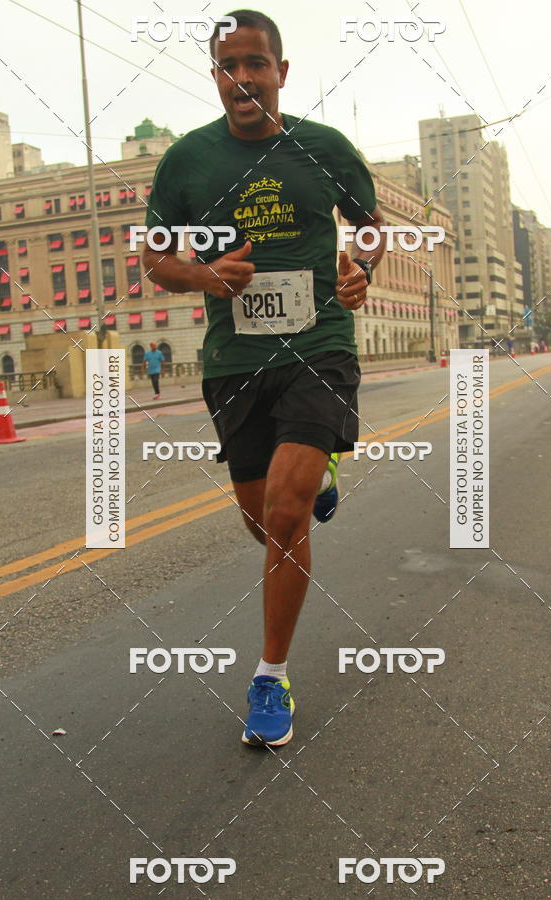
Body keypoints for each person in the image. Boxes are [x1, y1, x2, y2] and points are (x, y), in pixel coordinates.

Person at [143, 9, 386, 747]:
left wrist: (360, 267)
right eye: (228, 66)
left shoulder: (325, 147)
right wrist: (204, 274)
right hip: (236, 362)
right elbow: (156, 260)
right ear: (216, 75)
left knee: (285, 514)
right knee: (262, 523)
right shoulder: (187, 162)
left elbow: (370, 227)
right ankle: (318, 474)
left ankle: (270, 677)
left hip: (319, 346)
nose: (242, 78)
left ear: (281, 72)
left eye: (256, 63)